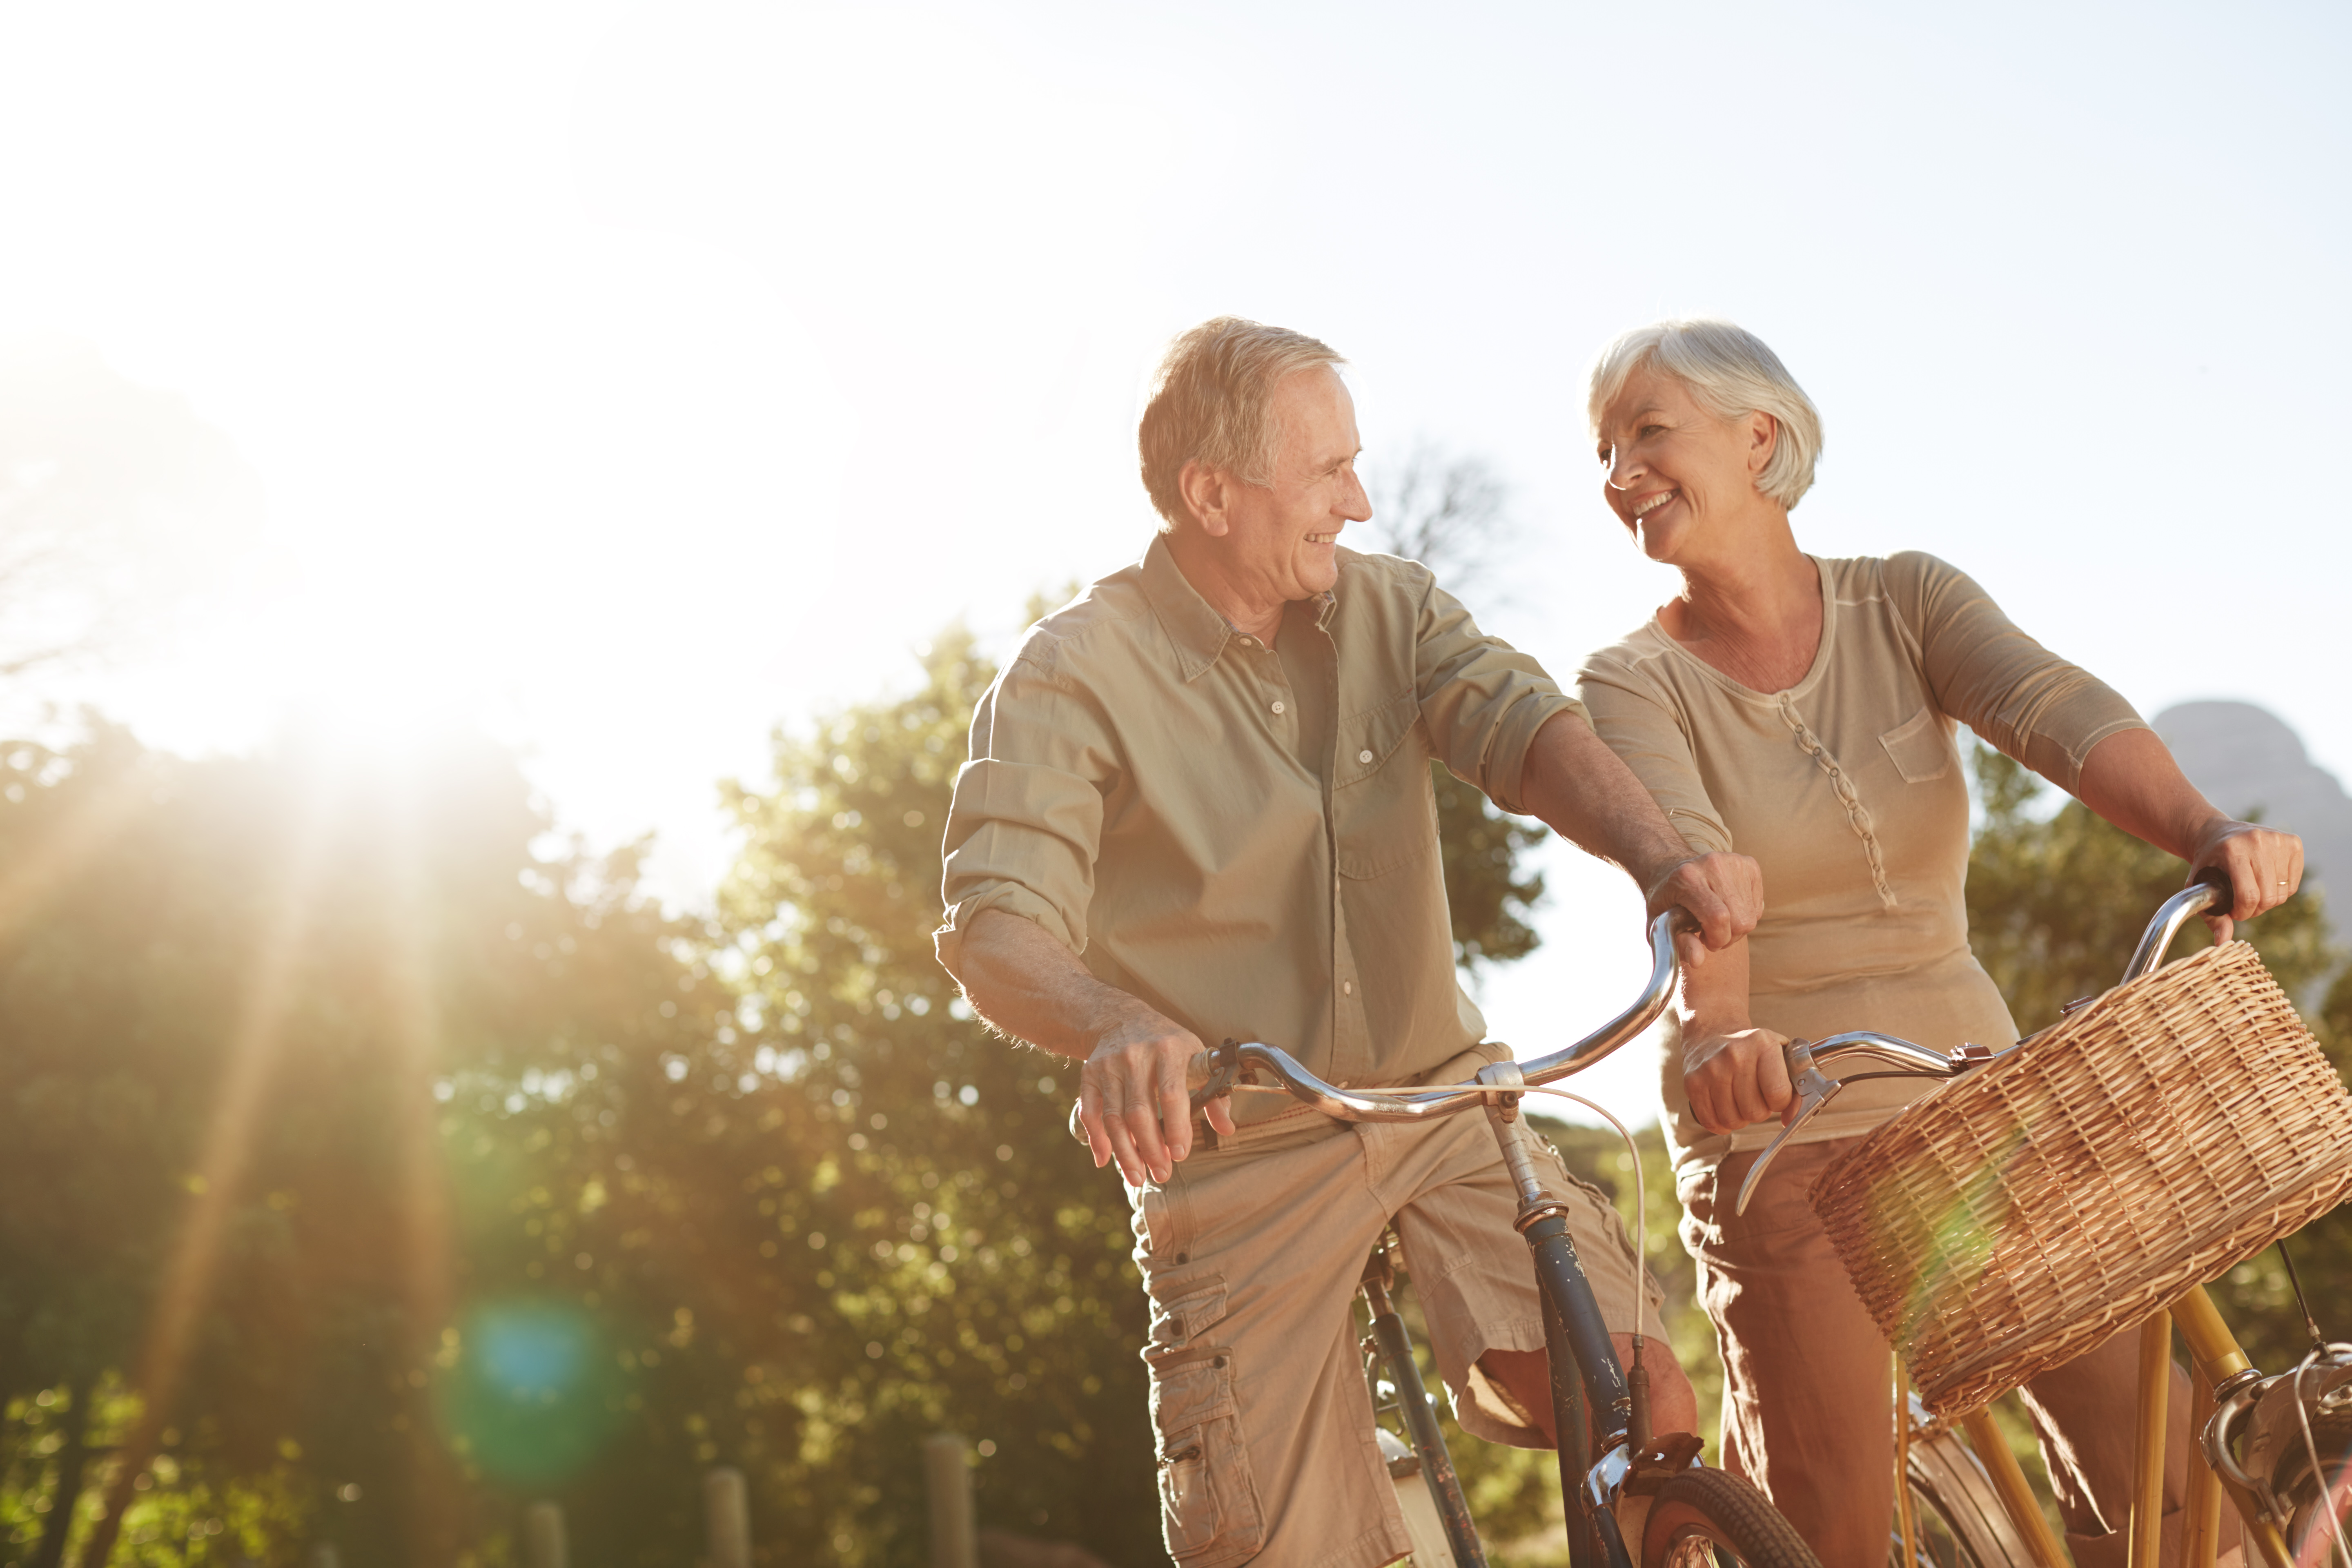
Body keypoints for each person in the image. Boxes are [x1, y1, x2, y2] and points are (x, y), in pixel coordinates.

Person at [933, 316, 1762, 1568]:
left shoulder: (1390, 610)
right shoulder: (1073, 676)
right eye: (1327, 473)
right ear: (1212, 494)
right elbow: (998, 920)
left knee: (1640, 1398)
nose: (1360, 501)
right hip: (1244, 1157)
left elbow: (1523, 727)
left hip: (1438, 1102)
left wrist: (1662, 857)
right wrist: (1113, 1020)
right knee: (1288, 1551)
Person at [1574, 317, 2304, 1568]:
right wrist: (1724, 1032)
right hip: (1783, 1123)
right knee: (1836, 1512)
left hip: (1975, 1096)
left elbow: (2053, 708)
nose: (1620, 473)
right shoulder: (1631, 684)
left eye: (1649, 432)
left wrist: (2205, 829)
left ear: (1760, 437)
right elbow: (1697, 876)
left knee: (2171, 1471)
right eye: (1603, 450)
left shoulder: (1903, 599)